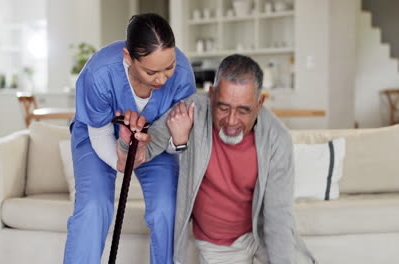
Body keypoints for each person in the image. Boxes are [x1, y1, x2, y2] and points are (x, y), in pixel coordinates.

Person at [118, 54, 317, 264]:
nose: (231, 121)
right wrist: (130, 141)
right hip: (221, 248)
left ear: (259, 103)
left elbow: (278, 217)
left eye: (243, 111)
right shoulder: (191, 111)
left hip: (262, 239)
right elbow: (142, 151)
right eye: (223, 107)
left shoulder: (277, 138)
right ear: (212, 95)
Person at [64, 13, 196, 264]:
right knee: (94, 206)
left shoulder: (182, 73)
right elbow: (100, 132)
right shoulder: (100, 72)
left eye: (169, 67)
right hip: (98, 133)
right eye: (151, 71)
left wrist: (164, 143)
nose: (162, 79)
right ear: (128, 58)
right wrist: (122, 158)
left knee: (167, 207)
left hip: (153, 137)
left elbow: (178, 138)